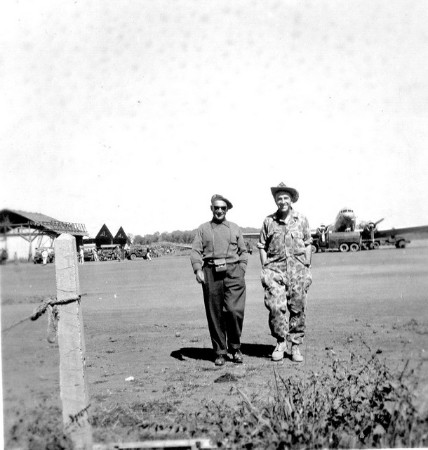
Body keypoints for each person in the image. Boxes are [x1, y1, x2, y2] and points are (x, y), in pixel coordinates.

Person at [191, 194, 248, 366]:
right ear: (212, 209)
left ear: (227, 210)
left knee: (233, 310)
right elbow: (195, 251)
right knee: (214, 313)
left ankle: (235, 347)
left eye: (223, 208)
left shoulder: (235, 228)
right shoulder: (203, 229)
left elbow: (243, 251)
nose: (220, 211)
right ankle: (220, 352)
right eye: (217, 208)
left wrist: (241, 269)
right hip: (211, 272)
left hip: (233, 272)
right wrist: (198, 269)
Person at [258, 182, 312, 363]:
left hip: (298, 272)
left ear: (291, 201)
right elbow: (262, 246)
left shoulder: (302, 220)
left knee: (298, 308)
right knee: (275, 308)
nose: (282, 201)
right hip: (275, 272)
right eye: (279, 198)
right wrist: (265, 266)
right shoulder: (268, 221)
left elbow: (307, 243)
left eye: (285, 198)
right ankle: (281, 342)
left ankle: (295, 345)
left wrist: (307, 264)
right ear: (275, 200)